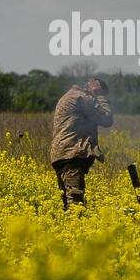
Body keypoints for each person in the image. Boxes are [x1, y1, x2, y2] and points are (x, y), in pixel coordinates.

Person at [49, 77, 113, 209]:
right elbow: (107, 119)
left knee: (67, 203)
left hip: (61, 154)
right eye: (101, 93)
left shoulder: (67, 96)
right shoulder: (81, 98)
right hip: (72, 154)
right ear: (94, 89)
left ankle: (67, 227)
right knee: (75, 204)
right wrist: (100, 96)